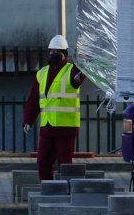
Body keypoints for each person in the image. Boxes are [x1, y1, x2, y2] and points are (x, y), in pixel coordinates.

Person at [22, 35, 87, 180]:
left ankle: (67, 193)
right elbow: (33, 99)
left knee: (65, 166)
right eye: (51, 52)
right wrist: (28, 120)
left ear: (64, 54)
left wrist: (81, 58)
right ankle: (48, 190)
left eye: (57, 52)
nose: (53, 55)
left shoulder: (71, 71)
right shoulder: (42, 73)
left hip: (65, 127)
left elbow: (79, 77)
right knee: (43, 162)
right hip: (47, 127)